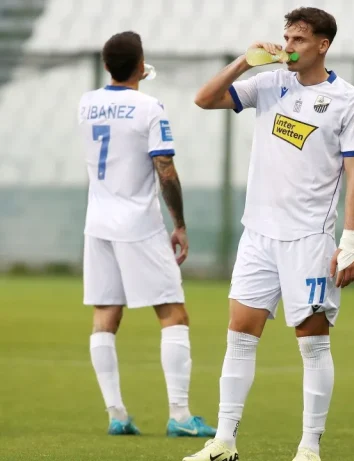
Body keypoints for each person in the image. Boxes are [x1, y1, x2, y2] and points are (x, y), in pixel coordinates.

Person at [184, 8, 354, 461]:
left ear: (323, 45)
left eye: (298, 39)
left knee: (313, 343)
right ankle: (224, 442)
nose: (288, 46)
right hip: (258, 235)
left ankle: (309, 447)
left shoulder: (348, 100)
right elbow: (204, 99)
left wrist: (349, 244)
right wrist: (243, 61)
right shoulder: (270, 83)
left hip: (309, 239)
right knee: (239, 336)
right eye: (286, 37)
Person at [78, 31, 215, 438]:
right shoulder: (149, 107)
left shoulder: (86, 103)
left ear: (106, 65)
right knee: (173, 313)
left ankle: (116, 414)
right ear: (141, 65)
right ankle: (180, 416)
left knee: (105, 315)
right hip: (137, 223)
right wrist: (180, 224)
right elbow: (165, 170)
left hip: (97, 222)